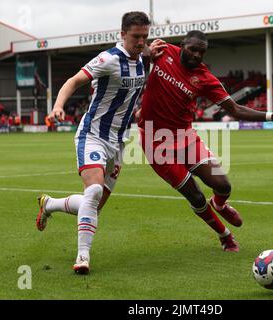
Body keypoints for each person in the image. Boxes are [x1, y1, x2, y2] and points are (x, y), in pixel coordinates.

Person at [138, 31, 273, 252]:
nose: (196, 55)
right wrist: (146, 52)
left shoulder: (204, 78)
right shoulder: (163, 51)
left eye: (201, 52)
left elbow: (235, 109)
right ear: (182, 45)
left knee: (223, 184)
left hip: (185, 137)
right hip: (154, 141)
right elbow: (133, 49)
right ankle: (225, 235)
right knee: (194, 193)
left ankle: (219, 204)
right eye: (192, 49)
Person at [35, 12, 165, 275]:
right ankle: (83, 257)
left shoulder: (143, 59)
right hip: (92, 134)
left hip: (118, 143)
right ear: (122, 34)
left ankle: (50, 204)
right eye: (135, 37)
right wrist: (58, 106)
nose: (141, 42)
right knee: (93, 194)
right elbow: (73, 81)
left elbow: (137, 84)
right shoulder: (108, 59)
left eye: (144, 37)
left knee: (93, 203)